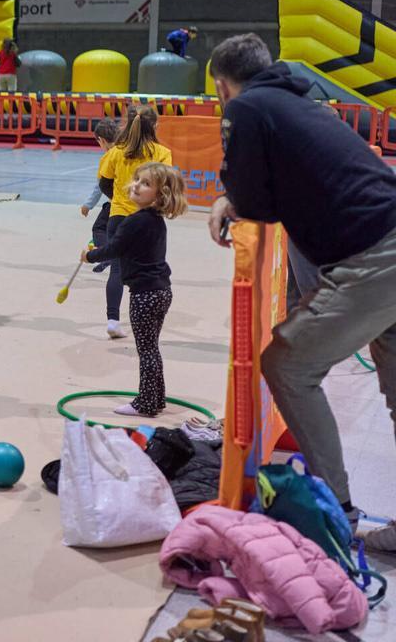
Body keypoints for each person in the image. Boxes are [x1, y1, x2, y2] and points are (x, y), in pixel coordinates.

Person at [207, 33, 396, 551]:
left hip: (376, 254)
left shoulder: (247, 109)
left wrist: (229, 200)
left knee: (288, 365)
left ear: (223, 86)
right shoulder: (300, 100)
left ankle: (337, 514)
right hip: (388, 232)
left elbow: (255, 201)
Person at [84, 162, 188, 416]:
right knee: (151, 346)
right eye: (138, 180)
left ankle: (146, 403)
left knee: (147, 349)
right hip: (160, 290)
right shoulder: (154, 220)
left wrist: (90, 256)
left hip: (145, 294)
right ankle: (156, 397)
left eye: (146, 184)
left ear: (160, 194)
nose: (137, 185)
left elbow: (113, 250)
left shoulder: (135, 222)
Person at [98, 105, 172, 339]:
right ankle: (147, 320)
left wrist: (120, 198)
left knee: (117, 270)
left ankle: (112, 320)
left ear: (127, 125)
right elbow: (165, 184)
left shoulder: (116, 151)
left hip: (118, 215)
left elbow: (104, 182)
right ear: (155, 126)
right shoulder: (161, 152)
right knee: (151, 270)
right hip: (148, 221)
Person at [81, 119, 120, 274]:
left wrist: (87, 205)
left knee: (99, 228)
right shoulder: (126, 151)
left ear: (102, 140)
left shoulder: (107, 158)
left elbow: (100, 186)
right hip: (136, 201)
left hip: (117, 203)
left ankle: (106, 255)